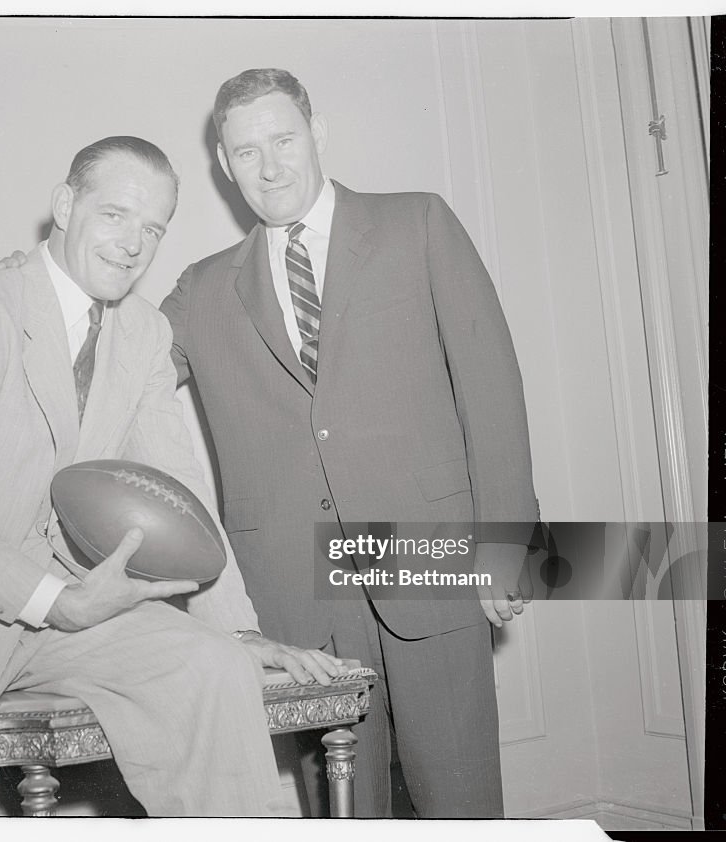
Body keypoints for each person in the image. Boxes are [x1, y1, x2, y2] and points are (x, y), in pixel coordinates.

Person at [0, 135, 344, 818]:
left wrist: (237, 633)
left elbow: (178, 490)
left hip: (62, 619)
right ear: (65, 205)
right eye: (115, 215)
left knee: (213, 669)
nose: (134, 244)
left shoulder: (145, 335)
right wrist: (55, 602)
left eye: (153, 228)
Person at [157, 70, 540, 818]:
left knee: (458, 797)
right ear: (224, 165)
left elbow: (491, 385)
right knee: (344, 808)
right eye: (244, 153)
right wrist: (49, 287)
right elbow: (120, 363)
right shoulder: (202, 289)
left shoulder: (417, 224)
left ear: (318, 133)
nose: (267, 167)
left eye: (283, 140)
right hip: (297, 585)